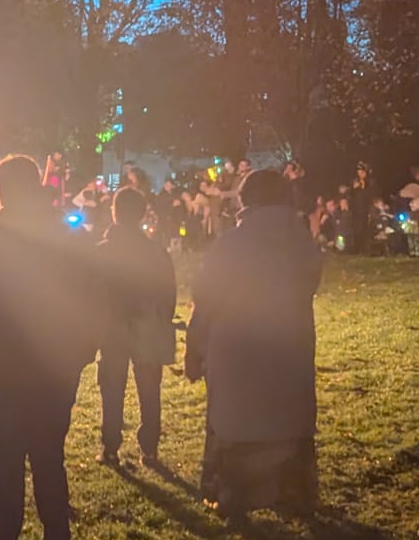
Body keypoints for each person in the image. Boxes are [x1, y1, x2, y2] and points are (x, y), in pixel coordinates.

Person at [0, 155, 101, 540]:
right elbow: (93, 296)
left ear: (0, 189)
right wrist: (84, 348)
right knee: (49, 456)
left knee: (8, 460)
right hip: (52, 366)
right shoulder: (65, 236)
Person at [185, 169, 322, 520]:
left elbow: (206, 299)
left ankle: (235, 492)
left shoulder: (232, 243)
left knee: (238, 420)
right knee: (286, 415)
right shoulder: (303, 243)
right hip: (289, 346)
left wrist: (194, 347)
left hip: (237, 351)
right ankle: (290, 491)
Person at [95, 186, 177, 468]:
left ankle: (110, 447)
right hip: (148, 324)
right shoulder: (155, 252)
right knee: (149, 389)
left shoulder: (102, 252)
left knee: (112, 388)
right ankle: (150, 448)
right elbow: (169, 291)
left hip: (114, 328)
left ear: (114, 212)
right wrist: (163, 318)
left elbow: (92, 292)